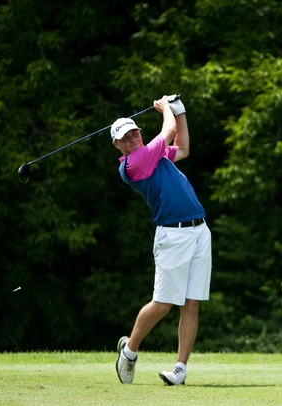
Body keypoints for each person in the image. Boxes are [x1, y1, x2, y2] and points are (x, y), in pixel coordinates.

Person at [110, 95, 212, 386]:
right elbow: (166, 133)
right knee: (164, 303)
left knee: (191, 304)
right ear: (117, 146)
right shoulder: (134, 163)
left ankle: (180, 369)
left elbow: (182, 147)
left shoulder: (154, 155)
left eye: (134, 133)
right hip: (173, 234)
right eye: (124, 138)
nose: (131, 140)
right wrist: (165, 107)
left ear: (140, 133)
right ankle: (129, 351)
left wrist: (180, 112)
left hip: (199, 230)